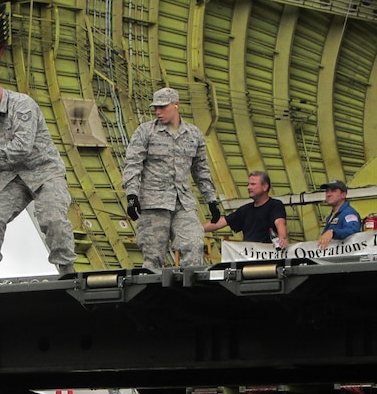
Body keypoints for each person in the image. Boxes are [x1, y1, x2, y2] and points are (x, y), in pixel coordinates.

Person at [0, 68, 77, 282]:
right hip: (12, 177)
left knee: (53, 220)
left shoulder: (22, 105)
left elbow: (22, 147)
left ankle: (68, 275)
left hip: (44, 171)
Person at [121, 87, 220, 270]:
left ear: (176, 105)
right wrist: (132, 195)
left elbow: (201, 171)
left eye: (163, 107)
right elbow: (133, 164)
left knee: (193, 244)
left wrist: (211, 200)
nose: (158, 112)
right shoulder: (146, 132)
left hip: (183, 203)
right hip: (153, 204)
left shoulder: (194, 135)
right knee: (153, 256)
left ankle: (189, 292)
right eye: (155, 108)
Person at [203, 170, 288, 248]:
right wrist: (197, 229)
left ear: (265, 187)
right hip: (249, 258)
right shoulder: (245, 210)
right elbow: (221, 222)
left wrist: (282, 238)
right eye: (248, 184)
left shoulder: (275, 205)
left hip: (268, 256)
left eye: (253, 184)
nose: (248, 187)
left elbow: (280, 222)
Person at [317, 180, 360, 250]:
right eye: (327, 191)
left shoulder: (349, 213)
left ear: (343, 194)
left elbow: (353, 231)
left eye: (333, 191)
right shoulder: (331, 216)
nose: (328, 194)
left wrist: (332, 232)